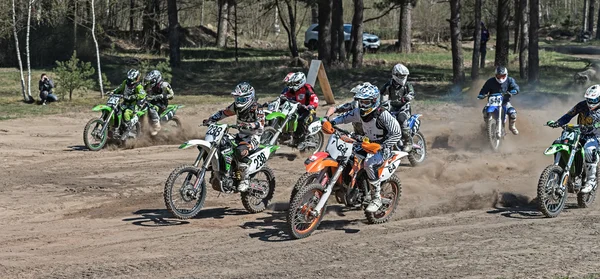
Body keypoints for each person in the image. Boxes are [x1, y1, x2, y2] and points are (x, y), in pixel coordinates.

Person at [327, 82, 402, 213]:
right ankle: (348, 185)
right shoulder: (358, 112)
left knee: (368, 163)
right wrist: (330, 122)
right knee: (345, 155)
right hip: (365, 143)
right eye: (361, 102)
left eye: (366, 102)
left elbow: (397, 133)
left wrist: (381, 145)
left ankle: (376, 197)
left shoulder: (383, 115)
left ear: (374, 101)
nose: (362, 105)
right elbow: (344, 118)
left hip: (383, 147)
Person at [203, 82, 265, 192]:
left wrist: (250, 125)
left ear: (249, 98)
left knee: (240, 151)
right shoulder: (236, 106)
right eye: (236, 98)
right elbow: (224, 113)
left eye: (241, 99)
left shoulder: (257, 107)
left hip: (253, 136)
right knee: (221, 142)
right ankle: (220, 169)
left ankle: (245, 179)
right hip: (240, 135)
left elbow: (261, 123)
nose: (238, 101)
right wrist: (211, 119)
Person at [547, 84, 600, 193]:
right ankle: (559, 171)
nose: (590, 102)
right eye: (588, 99)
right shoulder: (581, 105)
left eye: (593, 100)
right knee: (558, 142)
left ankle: (591, 180)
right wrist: (558, 123)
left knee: (589, 151)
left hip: (596, 136)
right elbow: (568, 115)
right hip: (579, 133)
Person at [380, 63, 415, 152]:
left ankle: (408, 142)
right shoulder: (389, 85)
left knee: (402, 119)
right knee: (382, 120)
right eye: (401, 75)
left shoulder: (407, 85)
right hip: (391, 107)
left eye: (404, 76)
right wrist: (381, 103)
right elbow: (382, 94)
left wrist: (407, 97)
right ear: (395, 75)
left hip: (404, 107)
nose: (403, 77)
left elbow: (412, 93)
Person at [477, 66, 520, 135]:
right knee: (485, 111)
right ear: (495, 75)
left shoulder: (510, 80)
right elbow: (484, 90)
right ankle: (487, 125)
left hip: (504, 102)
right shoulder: (490, 81)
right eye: (499, 76)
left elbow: (515, 86)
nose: (501, 78)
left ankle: (512, 126)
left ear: (506, 75)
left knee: (513, 113)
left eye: (503, 76)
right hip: (492, 102)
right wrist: (482, 94)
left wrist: (514, 90)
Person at [281, 72, 319, 146]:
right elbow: (287, 94)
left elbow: (315, 98)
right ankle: (287, 134)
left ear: (302, 81)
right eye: (294, 83)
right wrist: (282, 97)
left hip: (308, 110)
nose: (295, 84)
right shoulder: (293, 90)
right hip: (297, 109)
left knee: (301, 120)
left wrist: (311, 106)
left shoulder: (307, 88)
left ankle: (301, 139)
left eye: (297, 82)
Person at [110, 69, 147, 138]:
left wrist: (133, 96)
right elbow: (119, 88)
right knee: (117, 110)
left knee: (126, 113)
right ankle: (115, 128)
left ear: (136, 78)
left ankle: (128, 128)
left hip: (134, 105)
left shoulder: (138, 86)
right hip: (125, 103)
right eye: (129, 79)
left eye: (131, 79)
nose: (130, 81)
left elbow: (143, 94)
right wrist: (113, 92)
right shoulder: (125, 82)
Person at [144, 70, 175, 136]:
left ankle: (156, 127)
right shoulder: (149, 85)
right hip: (151, 101)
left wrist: (162, 96)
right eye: (150, 81)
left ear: (157, 79)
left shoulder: (164, 85)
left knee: (152, 108)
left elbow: (172, 95)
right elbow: (144, 92)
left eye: (152, 80)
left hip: (161, 103)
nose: (150, 82)